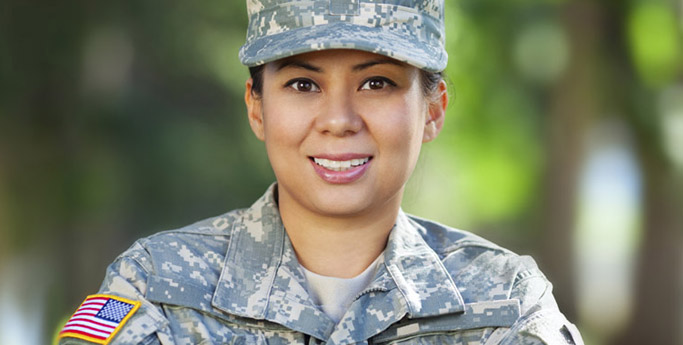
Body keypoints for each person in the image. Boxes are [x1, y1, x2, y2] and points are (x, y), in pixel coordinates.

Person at [57, 0, 583, 344]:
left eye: (376, 83)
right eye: (303, 85)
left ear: (434, 110)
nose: (338, 120)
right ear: (257, 107)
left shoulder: (504, 303)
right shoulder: (158, 287)